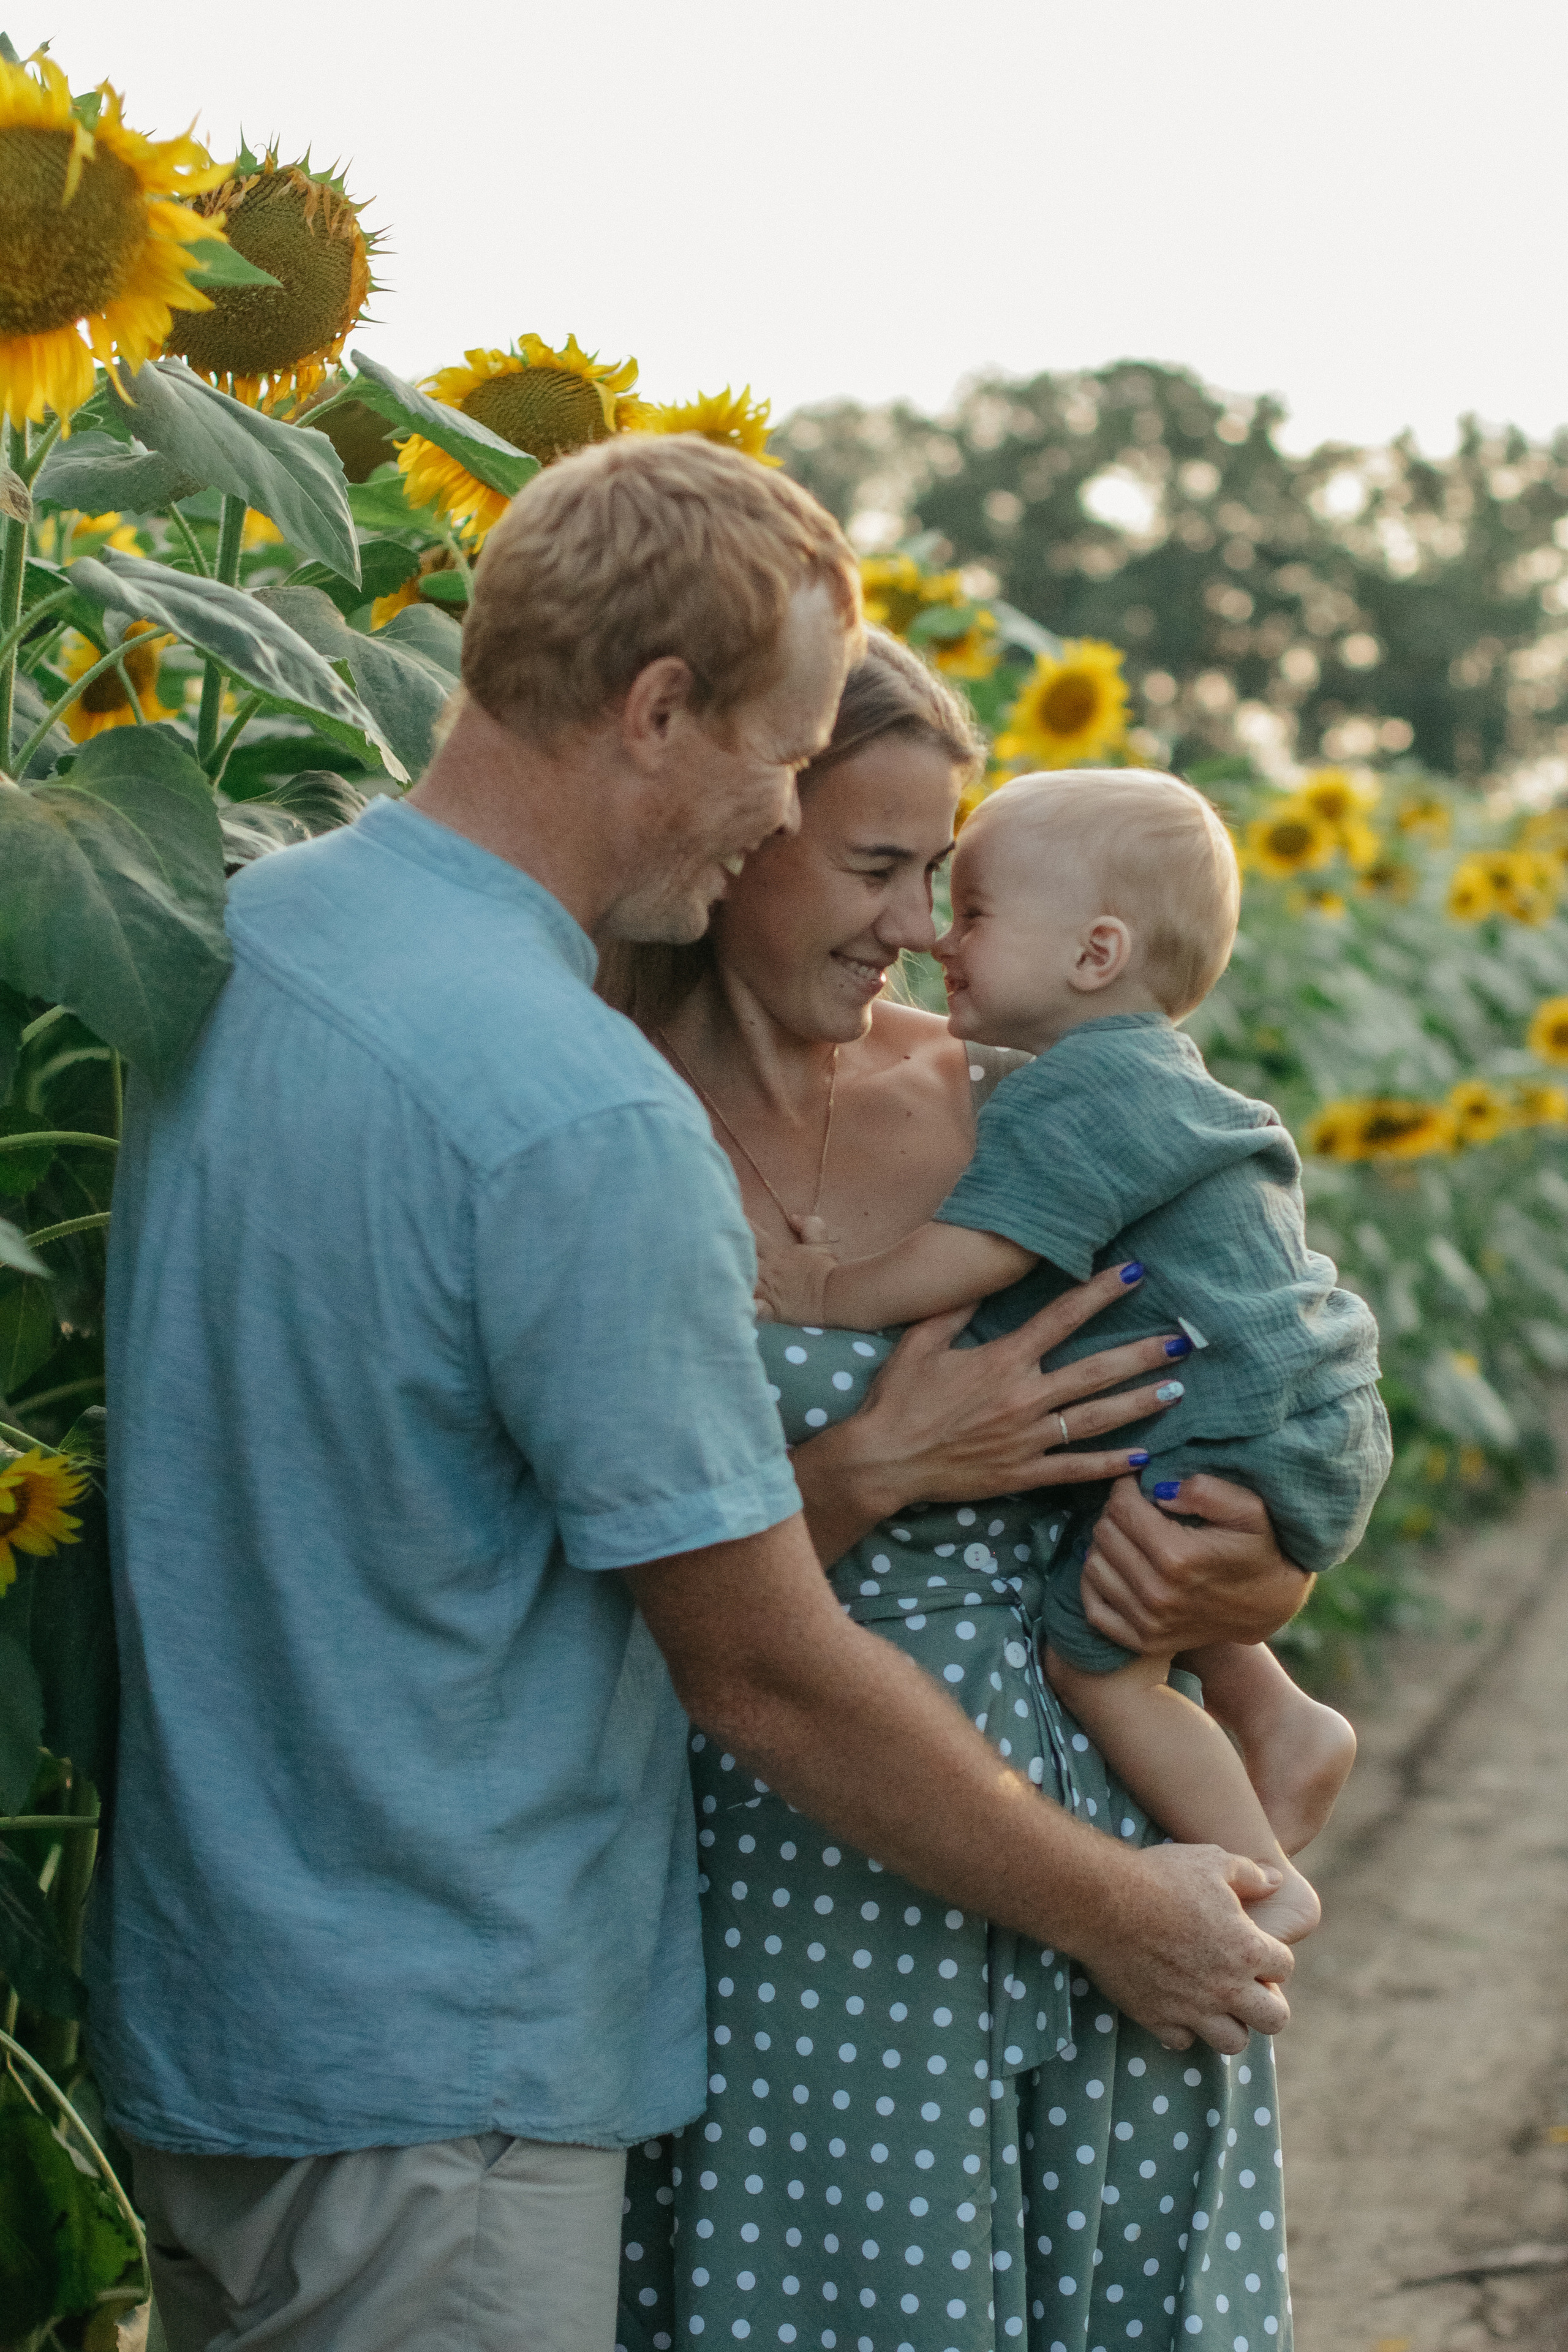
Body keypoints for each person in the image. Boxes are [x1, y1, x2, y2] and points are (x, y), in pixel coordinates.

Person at [91, 445, 1293, 2352]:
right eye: (783, 753)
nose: (776, 810)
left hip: (215, 2017)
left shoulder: (250, 932)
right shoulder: (586, 1113)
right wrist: (1122, 1915)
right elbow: (764, 1667)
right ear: (658, 710)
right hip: (452, 2069)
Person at [609, 633, 1390, 2352]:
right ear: (740, 833)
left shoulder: (1029, 1101)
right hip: (780, 1867)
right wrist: (875, 1469)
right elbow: (572, 1578)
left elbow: (1259, 1362)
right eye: (877, 868)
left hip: (1101, 1870)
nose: (913, 925)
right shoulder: (595, 1107)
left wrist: (1257, 1590)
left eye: (944, 879)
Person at [755, 769, 1380, 1947]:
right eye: (888, 872)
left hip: (1236, 1428)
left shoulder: (1066, 1095)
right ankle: (1279, 1711)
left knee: (1103, 1667)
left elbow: (979, 1250)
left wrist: (825, 1290)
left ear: (1095, 954)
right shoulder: (1148, 1073)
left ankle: (1262, 1858)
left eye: (967, 907)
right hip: (1288, 1409)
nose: (935, 934)